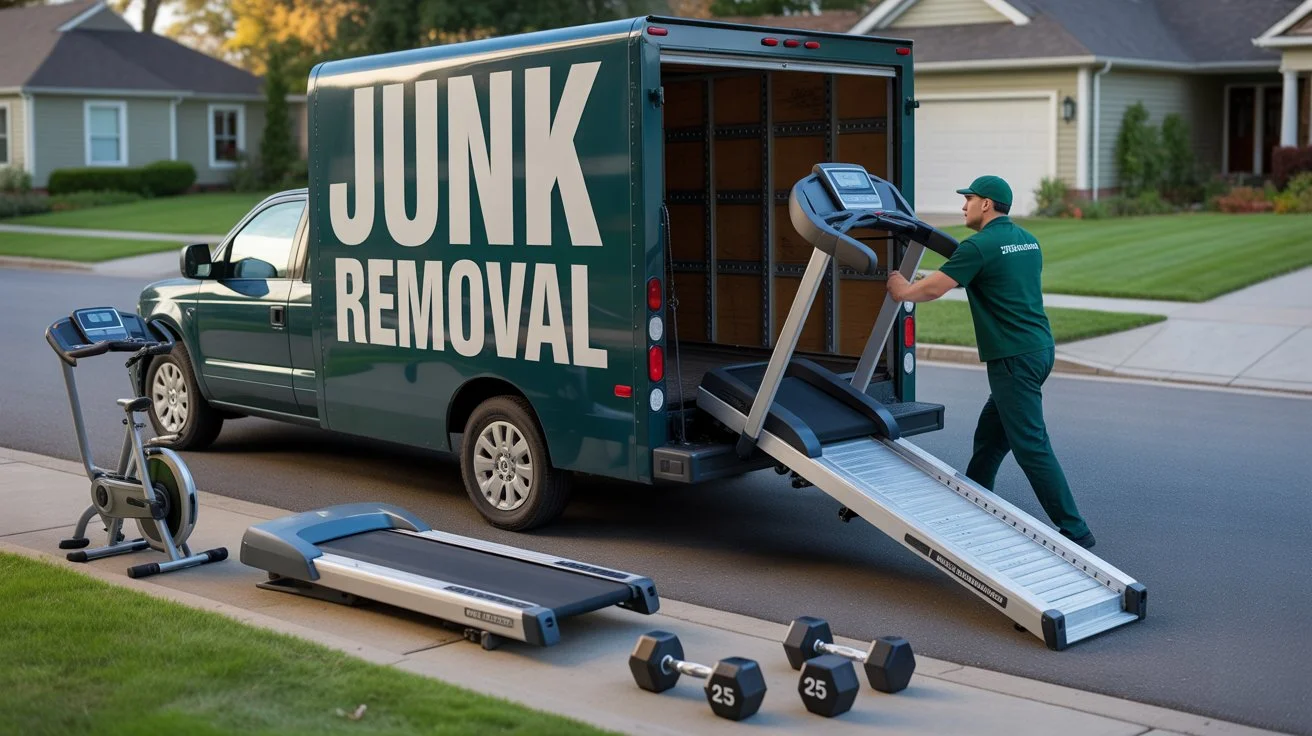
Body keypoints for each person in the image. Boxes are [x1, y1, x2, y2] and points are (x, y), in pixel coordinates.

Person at [885, 175, 1095, 549]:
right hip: (1039, 350)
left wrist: (903, 289)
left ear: (986, 204)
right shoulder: (1028, 242)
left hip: (1012, 357)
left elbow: (936, 287)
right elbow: (991, 279)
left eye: (968, 198)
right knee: (990, 437)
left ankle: (1075, 529)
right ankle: (971, 502)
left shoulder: (979, 245)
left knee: (1030, 444)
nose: (963, 205)